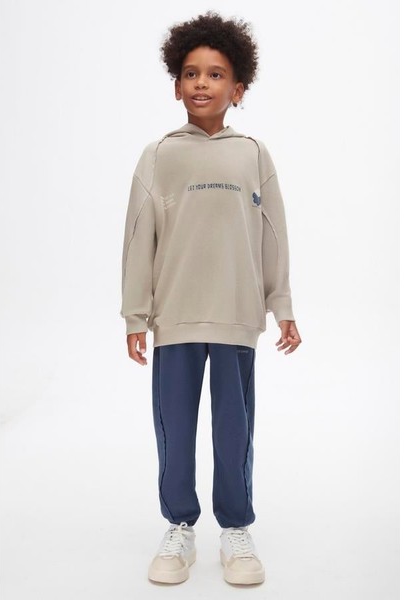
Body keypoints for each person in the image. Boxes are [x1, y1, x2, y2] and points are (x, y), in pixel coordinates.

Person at [120, 10, 302, 586]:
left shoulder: (253, 154)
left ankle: (236, 530)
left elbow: (273, 234)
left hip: (236, 317)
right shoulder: (158, 155)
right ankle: (179, 526)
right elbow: (138, 239)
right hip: (174, 318)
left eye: (216, 74)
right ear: (176, 85)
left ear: (238, 88)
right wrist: (135, 315)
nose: (202, 83)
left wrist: (282, 306)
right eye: (191, 73)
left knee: (234, 430)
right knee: (173, 428)